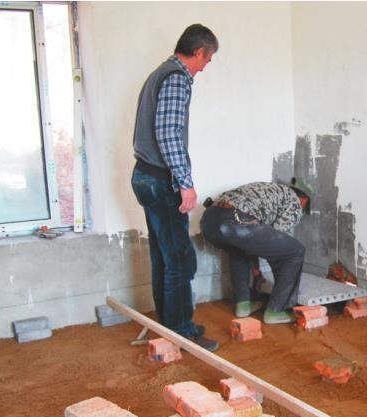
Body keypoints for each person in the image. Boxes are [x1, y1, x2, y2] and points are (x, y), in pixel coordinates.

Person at [130, 24, 219, 351]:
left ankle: (169, 327)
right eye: (207, 59)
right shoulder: (176, 78)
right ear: (199, 52)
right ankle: (181, 332)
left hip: (146, 175)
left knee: (165, 257)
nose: (205, 67)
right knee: (180, 258)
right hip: (160, 180)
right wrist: (185, 183)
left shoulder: (159, 73)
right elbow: (168, 134)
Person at [200, 180, 310, 323]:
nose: (300, 211)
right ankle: (276, 310)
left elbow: (253, 243)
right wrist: (286, 281)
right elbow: (279, 247)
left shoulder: (269, 190)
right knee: (295, 251)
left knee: (238, 250)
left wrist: (256, 271)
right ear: (303, 199)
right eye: (303, 207)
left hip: (209, 220)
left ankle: (243, 305)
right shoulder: (294, 201)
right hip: (236, 220)